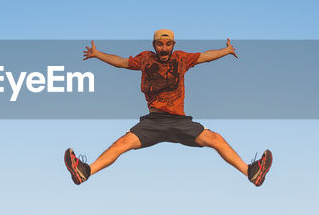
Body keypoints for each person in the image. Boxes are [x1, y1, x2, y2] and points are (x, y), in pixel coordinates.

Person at [64, 29, 273, 187]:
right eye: (159, 44)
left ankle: (250, 172)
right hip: (153, 122)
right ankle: (86, 171)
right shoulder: (145, 59)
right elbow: (121, 62)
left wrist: (226, 51)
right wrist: (98, 54)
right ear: (154, 44)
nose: (164, 48)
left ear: (173, 44)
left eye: (168, 44)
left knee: (215, 139)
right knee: (122, 143)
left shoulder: (182, 58)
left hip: (179, 121)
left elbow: (205, 56)